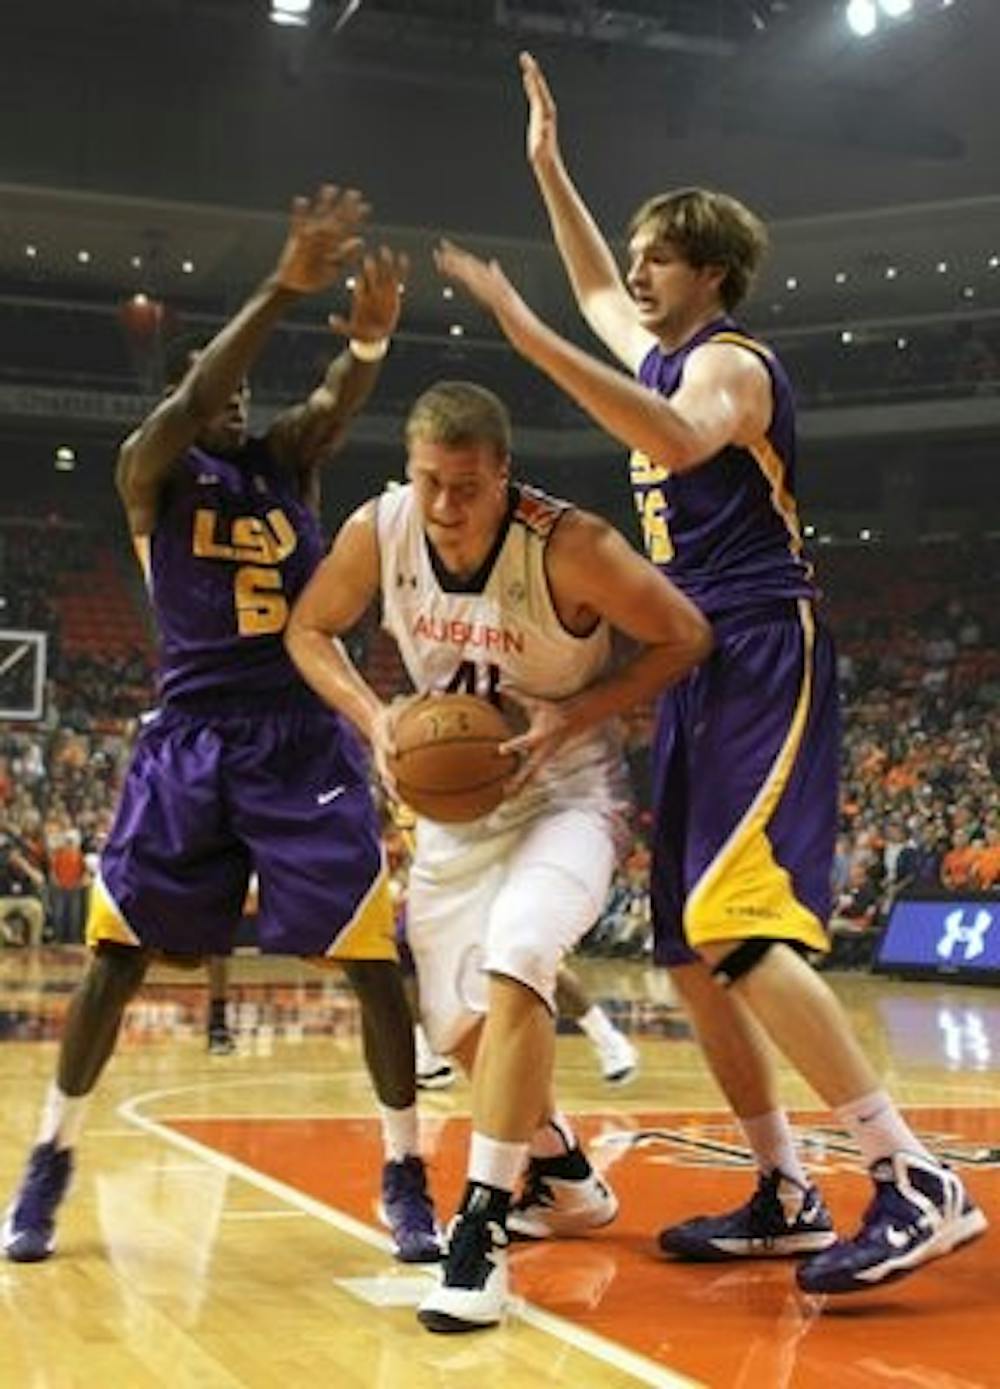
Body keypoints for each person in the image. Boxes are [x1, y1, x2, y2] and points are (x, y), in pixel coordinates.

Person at [429, 54, 987, 1296]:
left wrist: (526, 339)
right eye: (638, 254)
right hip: (691, 654)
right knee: (687, 945)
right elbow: (589, 285)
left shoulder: (729, 366)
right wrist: (547, 166)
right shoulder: (656, 349)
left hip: (759, 643)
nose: (637, 274)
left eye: (660, 258)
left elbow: (677, 441)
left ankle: (910, 1175)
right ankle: (784, 1186)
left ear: (714, 274)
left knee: (735, 918)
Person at [3, 185, 441, 1268]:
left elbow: (333, 401)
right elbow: (199, 389)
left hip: (297, 736)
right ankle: (49, 1158)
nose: (237, 402)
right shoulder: (151, 467)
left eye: (247, 391)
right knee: (116, 955)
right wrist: (281, 289)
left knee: (370, 959)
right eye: (223, 389)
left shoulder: (282, 464)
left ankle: (405, 1171)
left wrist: (370, 342)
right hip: (193, 739)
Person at [285, 379, 710, 1330]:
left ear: (505, 476)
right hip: (454, 814)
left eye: (468, 486)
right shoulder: (379, 530)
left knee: (520, 955)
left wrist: (577, 712)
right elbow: (307, 628)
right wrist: (375, 716)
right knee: (455, 1029)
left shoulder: (573, 545)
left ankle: (480, 1231)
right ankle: (562, 1174)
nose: (446, 504)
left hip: (568, 794)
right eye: (430, 481)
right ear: (410, 469)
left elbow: (686, 634)